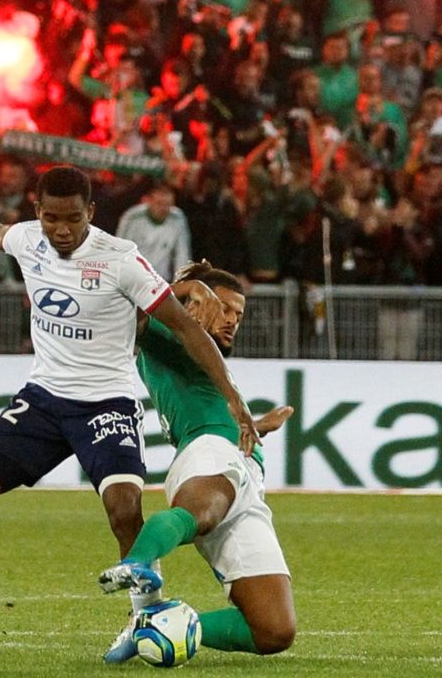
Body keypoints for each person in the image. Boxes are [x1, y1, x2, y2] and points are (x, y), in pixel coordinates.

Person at [0, 166, 255, 658]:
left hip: (107, 403)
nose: (61, 229)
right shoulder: (29, 239)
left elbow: (185, 328)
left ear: (91, 213)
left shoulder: (121, 260)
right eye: (51, 218)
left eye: (72, 219)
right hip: (43, 400)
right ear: (38, 212)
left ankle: (146, 618)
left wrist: (233, 396)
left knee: (126, 513)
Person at [97, 263, 297, 661]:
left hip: (247, 480)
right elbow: (133, 313)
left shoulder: (202, 356)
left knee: (274, 630)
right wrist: (181, 289)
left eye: (238, 314)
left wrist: (256, 427)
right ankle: (136, 563)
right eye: (224, 309)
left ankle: (157, 624)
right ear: (194, 305)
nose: (232, 321)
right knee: (202, 510)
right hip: (209, 453)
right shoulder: (170, 336)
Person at [115, 182, 192, 278]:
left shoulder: (178, 219)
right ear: (149, 201)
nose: (163, 209)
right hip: (135, 279)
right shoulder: (132, 218)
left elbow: (182, 255)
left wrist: (181, 281)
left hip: (161, 281)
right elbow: (120, 250)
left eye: (168, 205)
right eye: (159, 203)